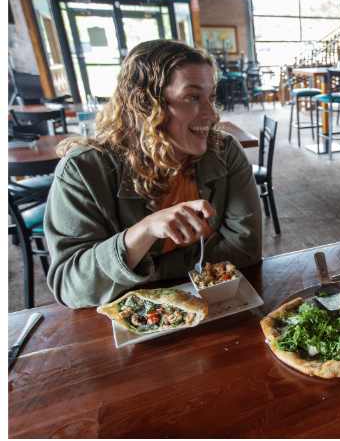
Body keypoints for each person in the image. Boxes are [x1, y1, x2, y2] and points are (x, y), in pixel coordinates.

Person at [44, 39, 263, 309]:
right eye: (192, 97)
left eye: (211, 97)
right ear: (145, 104)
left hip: (218, 308)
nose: (211, 114)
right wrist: (144, 231)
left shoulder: (225, 151)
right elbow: (71, 287)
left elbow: (245, 250)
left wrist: (152, 271)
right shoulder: (83, 170)